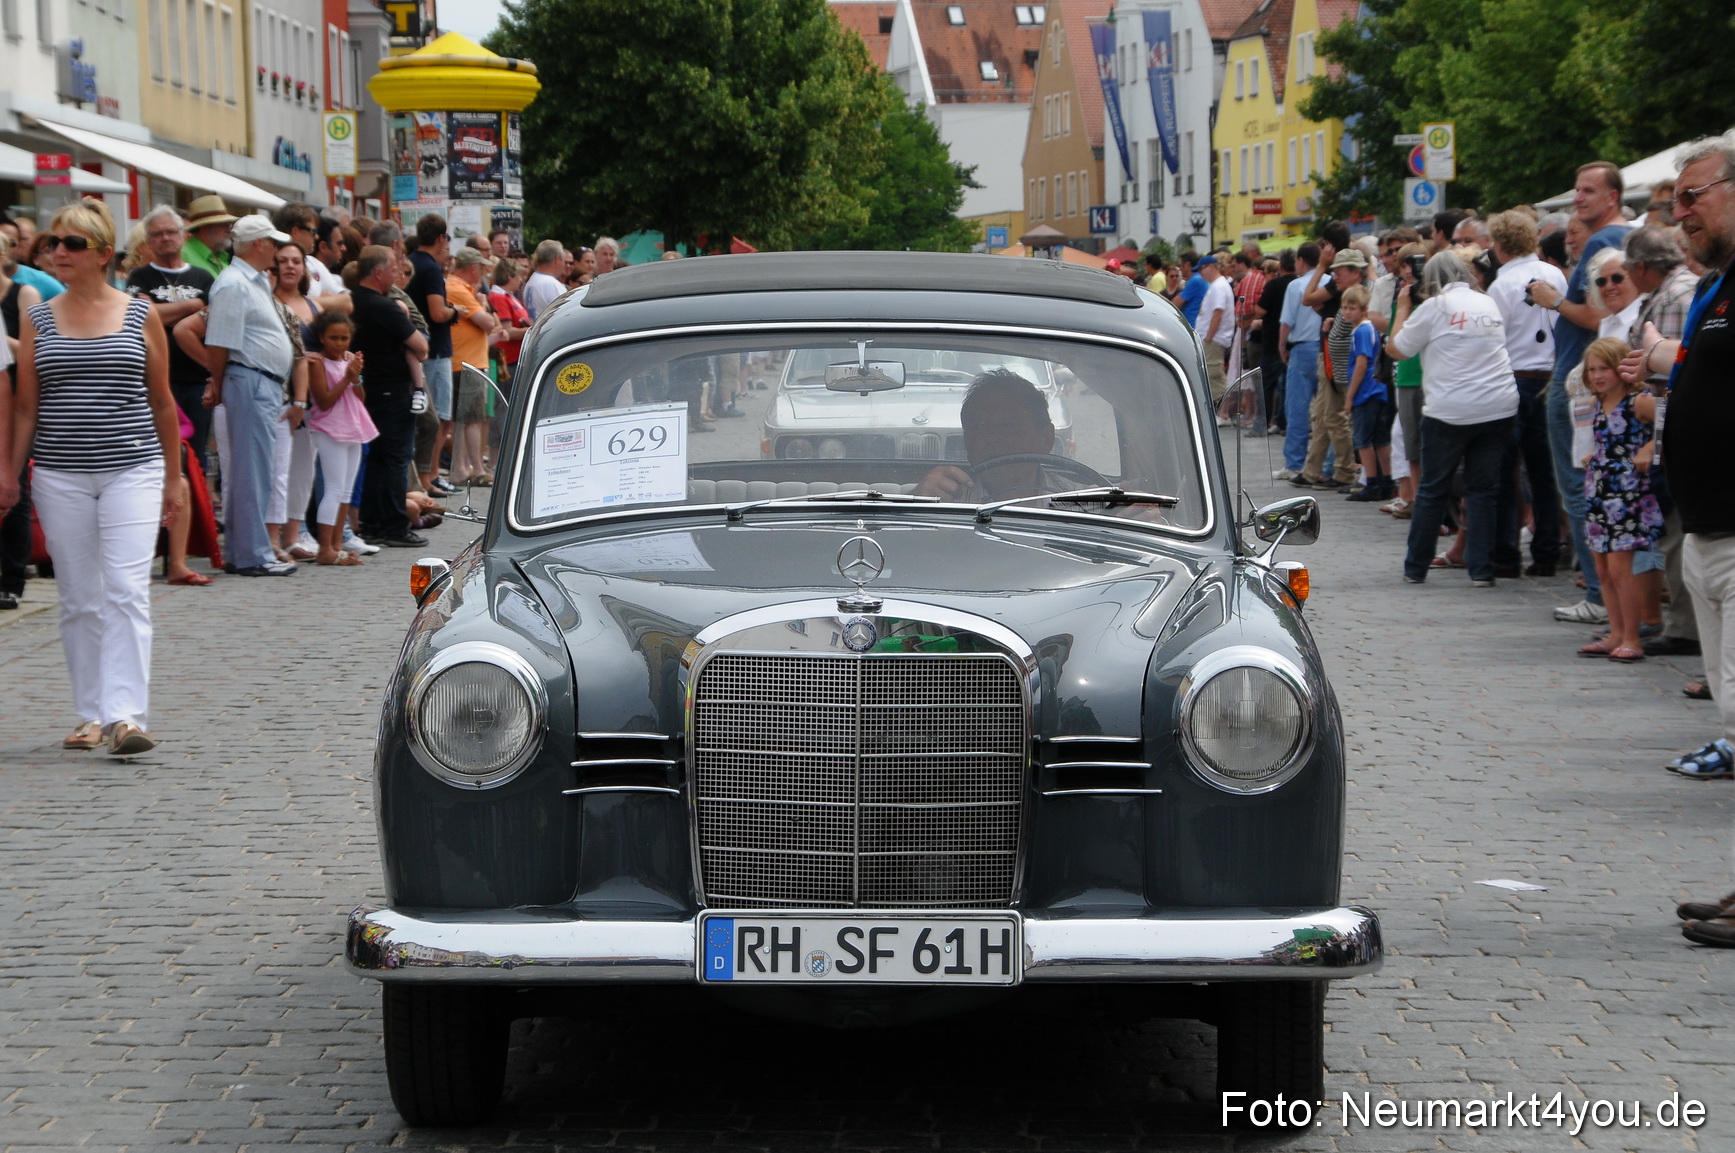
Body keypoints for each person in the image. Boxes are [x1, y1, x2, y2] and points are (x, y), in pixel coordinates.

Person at [1, 198, 182, 755]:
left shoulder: (139, 312)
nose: (58, 252)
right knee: (80, 597)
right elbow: (27, 406)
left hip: (133, 467)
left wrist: (173, 479)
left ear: (104, 254)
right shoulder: (37, 317)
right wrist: (10, 475)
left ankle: (125, 715)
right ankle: (89, 712)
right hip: (60, 472)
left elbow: (162, 403)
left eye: (72, 244)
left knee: (126, 589)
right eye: (53, 242)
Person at [1528, 161, 1632, 625]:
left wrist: (1554, 301)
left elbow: (1598, 317)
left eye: (1589, 190)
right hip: (1590, 377)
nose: (1578, 197)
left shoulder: (1605, 242)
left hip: (1581, 381)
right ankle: (1607, 596)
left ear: (1612, 196)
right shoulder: (1617, 237)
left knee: (1580, 488)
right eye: (1576, 189)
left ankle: (1598, 594)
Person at [1390, 250, 1517, 587]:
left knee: (1432, 488)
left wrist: (1403, 307)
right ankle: (1482, 570)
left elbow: (1398, 348)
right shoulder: (1486, 302)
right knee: (1483, 490)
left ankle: (1415, 566)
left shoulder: (1435, 307)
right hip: (1498, 404)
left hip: (1450, 408)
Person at [1620, 226, 1702, 660]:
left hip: (1669, 429)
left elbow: (1680, 373)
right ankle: (1684, 625)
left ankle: (1688, 629)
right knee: (1669, 534)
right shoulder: (1675, 291)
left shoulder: (1677, 296)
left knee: (1676, 535)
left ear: (1641, 267)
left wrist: (1656, 435)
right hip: (1663, 426)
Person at [204, 214, 299, 576]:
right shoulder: (233, 284)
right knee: (251, 472)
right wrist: (218, 382)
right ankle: (252, 555)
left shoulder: (251, 281)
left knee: (254, 470)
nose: (276, 248)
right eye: (272, 242)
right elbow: (219, 343)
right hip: (250, 379)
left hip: (260, 380)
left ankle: (246, 551)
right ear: (259, 244)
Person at [1485, 209, 1568, 579]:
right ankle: (1546, 551)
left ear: (1500, 245)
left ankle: (1505, 554)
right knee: (1544, 472)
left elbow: (1493, 339)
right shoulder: (1555, 275)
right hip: (1551, 375)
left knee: (1506, 471)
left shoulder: (1500, 286)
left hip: (1513, 376)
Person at [1575, 338, 1659, 663]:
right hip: (1599, 493)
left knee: (1623, 569)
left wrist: (1650, 448)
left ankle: (1632, 637)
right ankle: (1615, 632)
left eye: (1604, 368)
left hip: (1628, 495)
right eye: (1592, 370)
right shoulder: (1600, 402)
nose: (1597, 376)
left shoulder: (1639, 400)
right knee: (1603, 569)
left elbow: (1671, 420)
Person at [125, 206, 216, 475]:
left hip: (197, 380)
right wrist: (193, 305)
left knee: (196, 455)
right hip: (154, 379)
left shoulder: (203, 277)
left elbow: (211, 319)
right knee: (158, 454)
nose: (165, 238)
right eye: (157, 234)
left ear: (183, 235)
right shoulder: (139, 277)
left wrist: (160, 312)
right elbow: (141, 318)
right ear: (149, 240)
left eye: (170, 232)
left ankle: (195, 511)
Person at [351, 245, 430, 547]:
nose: (397, 273)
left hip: (367, 387)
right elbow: (420, 347)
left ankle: (372, 523)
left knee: (375, 459)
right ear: (378, 272)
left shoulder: (351, 301)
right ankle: (396, 526)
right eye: (394, 268)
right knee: (395, 457)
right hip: (392, 389)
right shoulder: (383, 306)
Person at [912, 371, 1063, 502]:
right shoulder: (941, 499)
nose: (991, 438)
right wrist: (917, 503)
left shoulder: (1079, 502)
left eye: (1006, 426)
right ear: (966, 441)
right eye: (978, 427)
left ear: (1046, 439)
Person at [303, 311, 377, 565]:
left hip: (353, 427)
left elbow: (360, 399)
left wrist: (356, 377)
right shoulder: (317, 363)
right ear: (321, 338)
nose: (339, 343)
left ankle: (336, 545)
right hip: (329, 428)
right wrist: (347, 376)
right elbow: (323, 402)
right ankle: (325, 548)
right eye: (333, 337)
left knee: (345, 491)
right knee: (333, 489)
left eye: (344, 338)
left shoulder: (348, 359)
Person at [1293, 248, 1366, 491]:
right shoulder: (1342, 292)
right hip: (1330, 362)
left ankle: (1344, 471)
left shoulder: (1361, 294)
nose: (1334, 277)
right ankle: (1312, 470)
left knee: (1335, 418)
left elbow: (1308, 298)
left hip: (1341, 368)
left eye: (1339, 272)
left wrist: (1322, 266)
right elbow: (1310, 299)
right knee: (1322, 416)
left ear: (1356, 272)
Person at [0, 233, 42, 609]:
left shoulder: (23, 294)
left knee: (15, 487)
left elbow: (36, 350)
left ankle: (12, 577)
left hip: (18, 400)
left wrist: (4, 342)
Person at [270, 243, 319, 559]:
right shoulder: (267, 303)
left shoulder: (313, 306)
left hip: (312, 398)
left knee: (304, 468)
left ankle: (294, 532)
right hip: (278, 396)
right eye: (283, 261)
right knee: (278, 469)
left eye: (296, 261)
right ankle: (273, 535)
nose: (290, 266)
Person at [405, 214, 456, 496]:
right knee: (439, 418)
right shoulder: (432, 269)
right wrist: (455, 311)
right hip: (435, 349)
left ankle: (425, 475)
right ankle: (432, 474)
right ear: (440, 238)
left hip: (416, 349)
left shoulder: (410, 262)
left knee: (426, 419)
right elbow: (437, 312)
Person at [445, 247, 499, 486]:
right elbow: (488, 323)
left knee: (463, 418)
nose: (484, 272)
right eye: (482, 267)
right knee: (472, 418)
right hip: (468, 362)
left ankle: (461, 468)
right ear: (473, 268)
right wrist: (483, 303)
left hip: (465, 361)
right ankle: (475, 468)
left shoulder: (458, 288)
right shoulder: (458, 289)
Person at [1275, 243, 1323, 480]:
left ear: (1301, 261)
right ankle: (1326, 463)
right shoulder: (1329, 280)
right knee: (1326, 411)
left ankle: (1294, 462)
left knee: (1298, 408)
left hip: (1302, 348)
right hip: (1325, 347)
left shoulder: (1296, 285)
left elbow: (1287, 322)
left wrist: (1282, 346)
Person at [1338, 285, 1391, 501]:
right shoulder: (1369, 329)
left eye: (1352, 308)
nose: (1347, 312)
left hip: (1365, 392)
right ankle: (1386, 479)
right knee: (1380, 439)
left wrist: (1350, 396)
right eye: (1344, 308)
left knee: (1363, 440)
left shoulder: (1360, 331)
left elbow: (1361, 364)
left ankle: (1372, 482)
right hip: (1377, 390)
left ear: (1363, 309)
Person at [1253, 251, 1292, 435]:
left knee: (1266, 385)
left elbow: (1260, 310)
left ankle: (1263, 423)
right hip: (1292, 341)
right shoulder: (1299, 284)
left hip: (1271, 341)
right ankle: (1282, 421)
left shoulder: (1274, 285)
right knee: (1286, 386)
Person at [1195, 256, 1233, 411]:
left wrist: (1209, 337)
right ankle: (1221, 410)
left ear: (1210, 267)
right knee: (1212, 374)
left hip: (1214, 338)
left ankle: (1223, 412)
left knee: (1214, 374)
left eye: (1201, 269)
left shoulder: (1218, 287)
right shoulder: (1218, 286)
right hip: (1213, 337)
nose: (1200, 273)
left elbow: (1218, 313)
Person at [181, 195, 236, 278]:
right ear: (205, 227)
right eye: (224, 224)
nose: (229, 230)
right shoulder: (182, 255)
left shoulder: (221, 257)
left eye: (230, 225)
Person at [523, 239, 567, 320]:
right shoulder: (551, 284)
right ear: (557, 259)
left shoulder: (531, 281)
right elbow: (566, 314)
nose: (564, 265)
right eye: (563, 260)